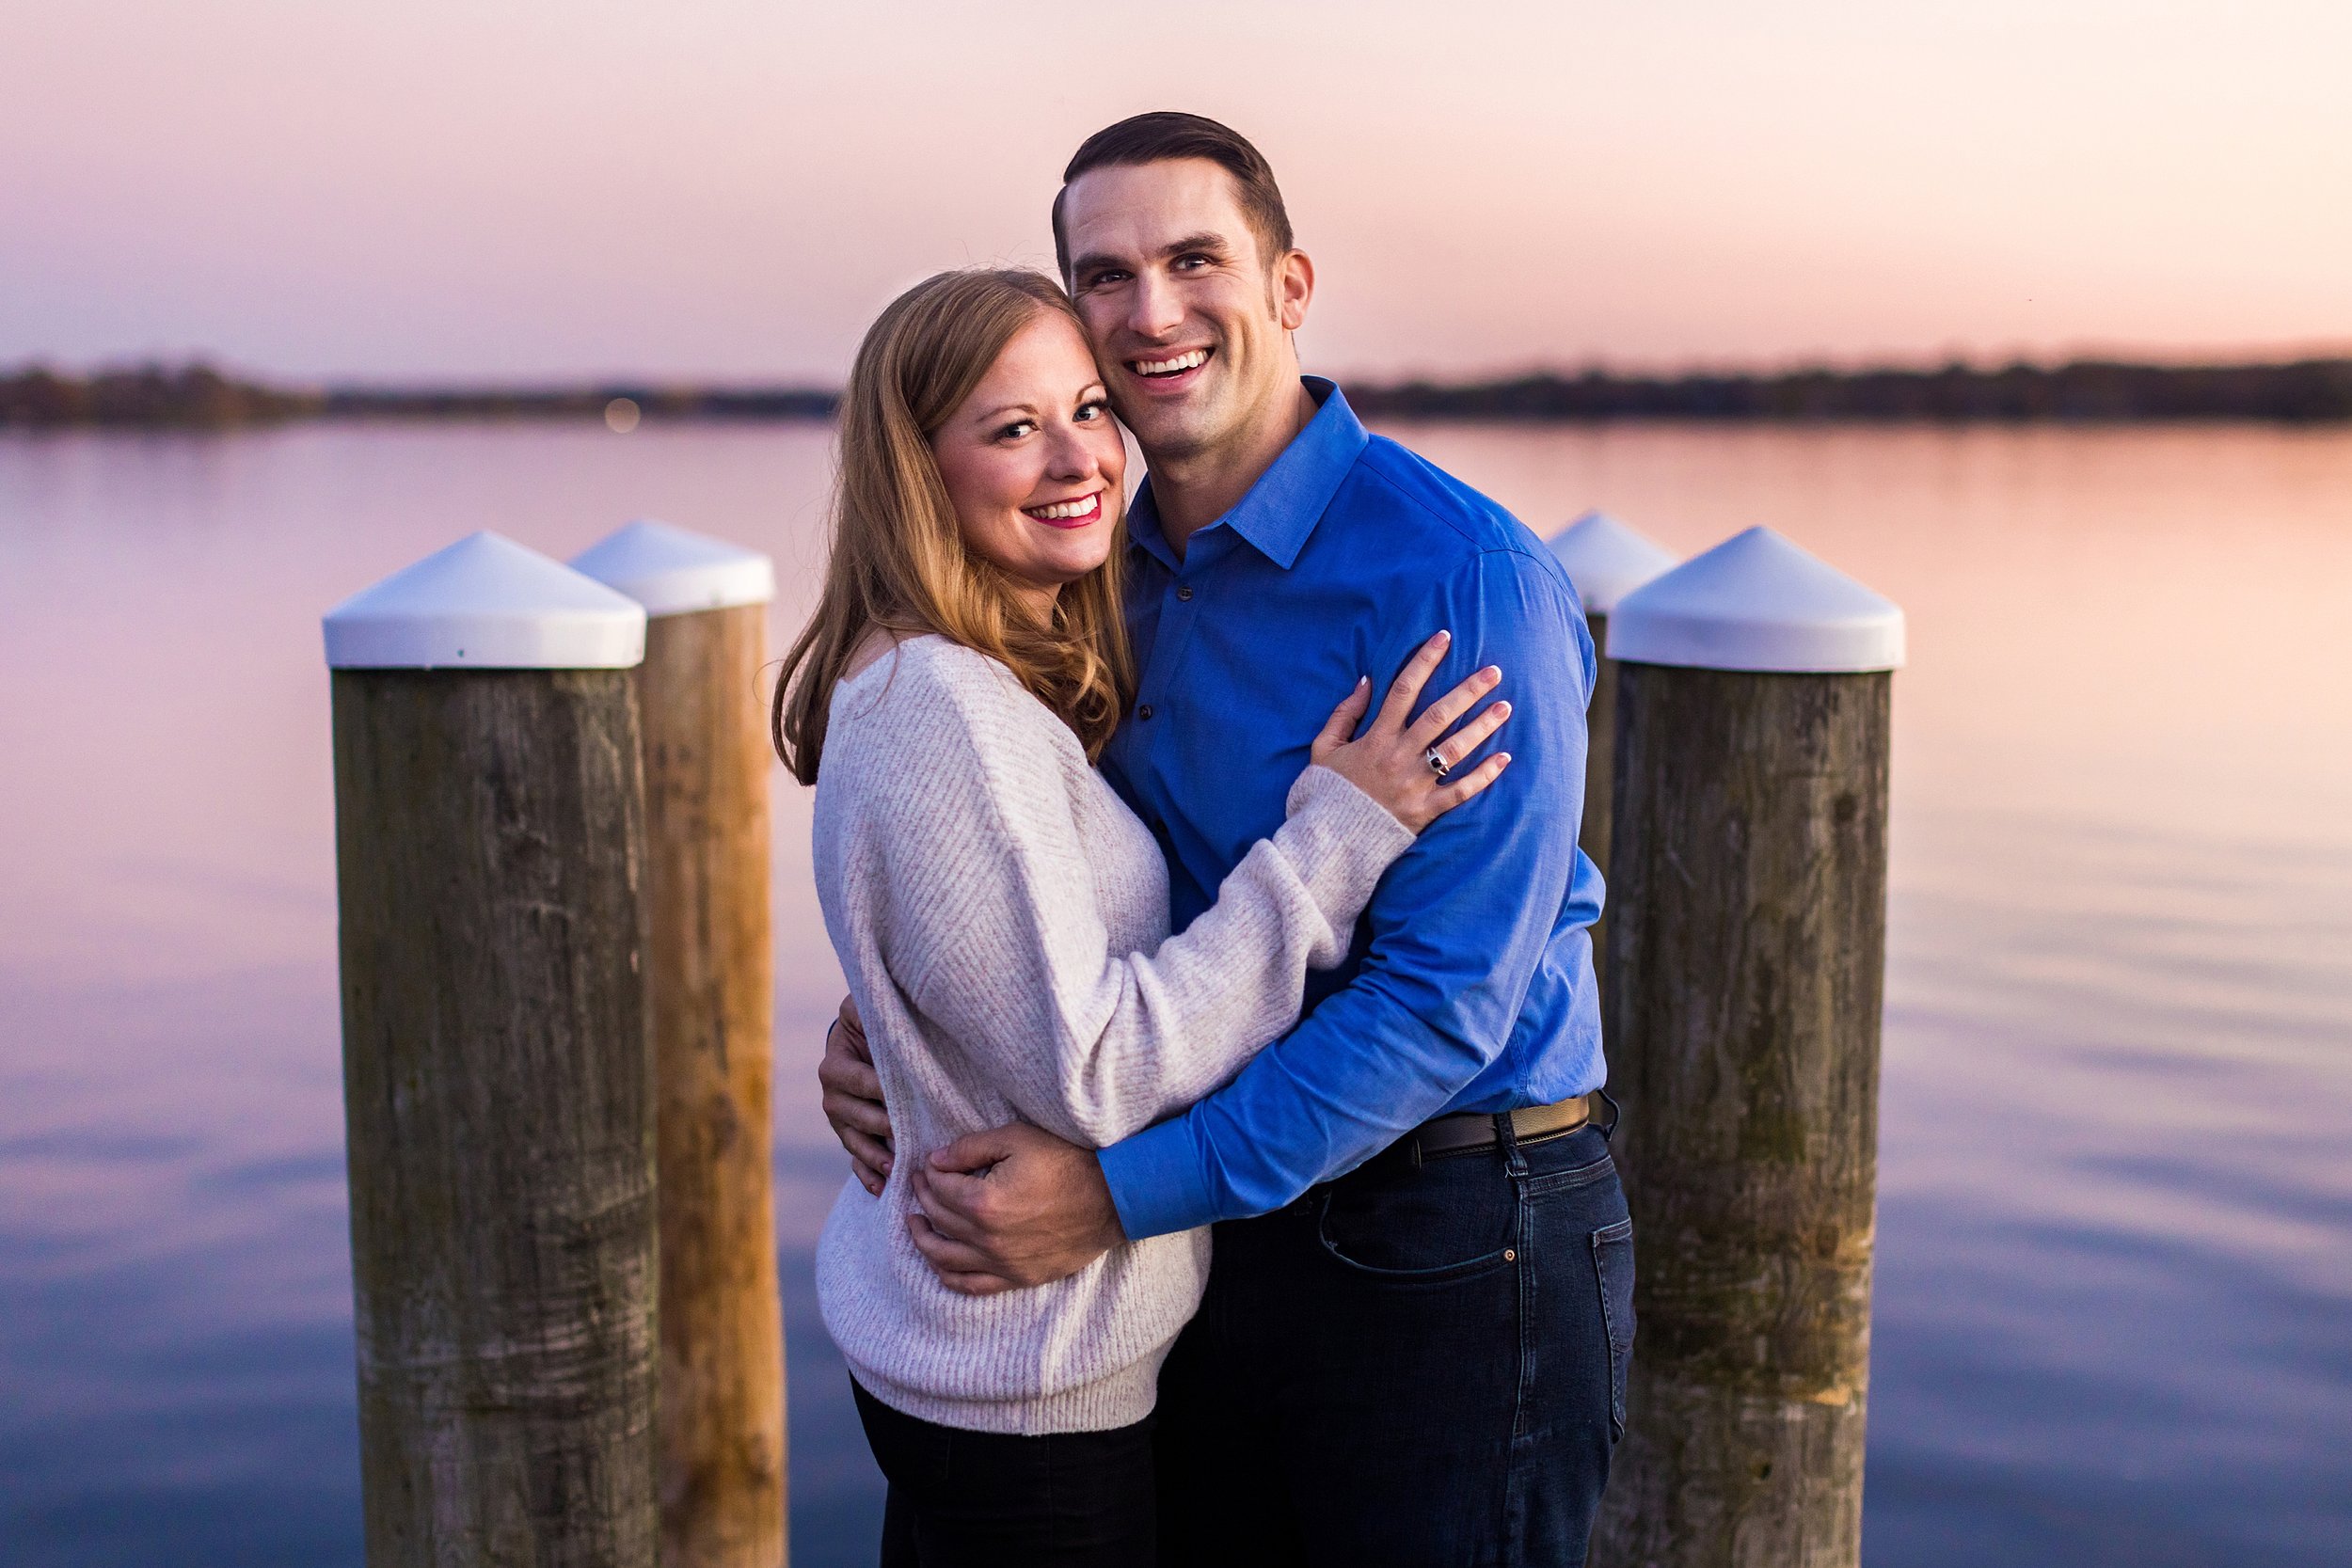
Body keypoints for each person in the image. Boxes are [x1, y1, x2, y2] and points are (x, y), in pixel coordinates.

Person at [820, 114, 1634, 1565]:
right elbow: (1035, 873)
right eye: (1105, 275)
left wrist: (1114, 1197)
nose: (1150, 311)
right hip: (1202, 1229)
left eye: (1195, 259)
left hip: (1444, 1227)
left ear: (1290, 286)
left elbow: (1444, 1003)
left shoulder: (1461, 576)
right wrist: (899, 1019)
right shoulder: (1089, 558)